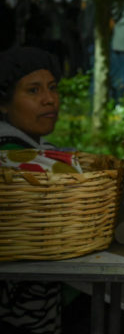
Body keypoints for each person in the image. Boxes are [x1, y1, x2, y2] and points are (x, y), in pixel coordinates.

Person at [0, 46, 64, 333]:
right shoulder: (12, 158)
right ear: (4, 103)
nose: (49, 99)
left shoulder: (39, 148)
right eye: (33, 91)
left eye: (52, 88)